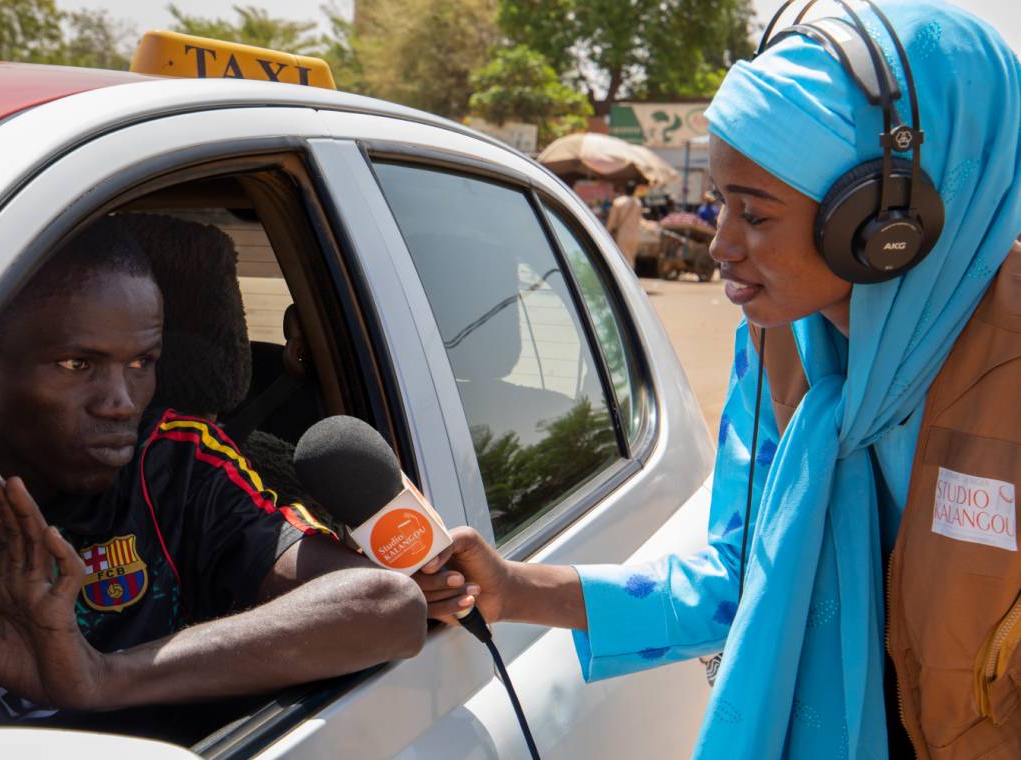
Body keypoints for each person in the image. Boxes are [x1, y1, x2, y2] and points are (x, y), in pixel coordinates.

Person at [419, 1, 1021, 757]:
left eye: (756, 216)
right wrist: (514, 589)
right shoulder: (779, 344)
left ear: (885, 225)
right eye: (721, 207)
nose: (720, 247)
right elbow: (735, 575)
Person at [0, 216, 427, 754]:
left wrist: (103, 678)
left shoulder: (175, 463)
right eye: (78, 363)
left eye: (142, 361)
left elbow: (387, 607)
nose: (120, 400)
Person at [605, 181, 645, 263]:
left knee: (622, 260)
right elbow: (639, 220)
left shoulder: (618, 202)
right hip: (634, 234)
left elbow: (611, 221)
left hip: (622, 235)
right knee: (631, 259)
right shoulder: (638, 203)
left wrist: (606, 233)